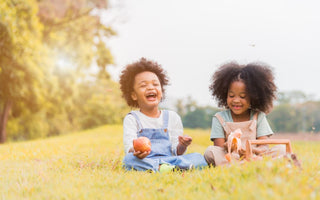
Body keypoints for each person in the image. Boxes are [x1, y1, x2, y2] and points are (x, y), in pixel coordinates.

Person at [120, 58, 208, 172]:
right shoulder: (132, 119)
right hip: (145, 160)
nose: (151, 87)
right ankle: (166, 168)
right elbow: (129, 148)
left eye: (155, 84)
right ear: (133, 95)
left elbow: (177, 152)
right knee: (128, 160)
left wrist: (182, 145)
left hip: (170, 159)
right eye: (143, 85)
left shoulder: (172, 117)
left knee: (198, 157)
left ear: (161, 90)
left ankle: (166, 168)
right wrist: (136, 152)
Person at [204, 62, 286, 166]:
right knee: (210, 151)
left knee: (281, 149)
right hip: (231, 157)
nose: (236, 100)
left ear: (253, 97)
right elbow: (219, 148)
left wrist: (251, 152)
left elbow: (264, 146)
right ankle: (241, 165)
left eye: (242, 96)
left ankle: (250, 163)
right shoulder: (219, 118)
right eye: (231, 95)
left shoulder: (258, 116)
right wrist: (230, 146)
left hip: (254, 155)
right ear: (224, 94)